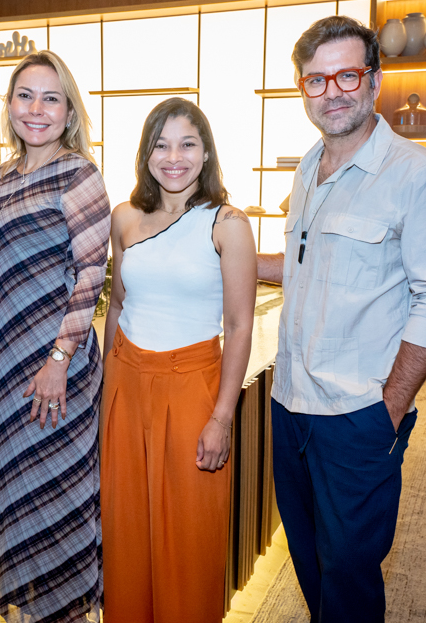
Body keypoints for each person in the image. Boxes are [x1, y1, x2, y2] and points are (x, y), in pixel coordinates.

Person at [255, 15, 426, 621]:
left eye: (347, 75)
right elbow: (303, 268)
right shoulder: (307, 168)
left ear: (374, 81)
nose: (333, 92)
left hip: (357, 413)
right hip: (290, 403)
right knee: (309, 560)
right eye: (316, 80)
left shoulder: (418, 174)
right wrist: (220, 250)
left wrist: (388, 410)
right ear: (303, 90)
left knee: (349, 574)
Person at [100, 98, 257, 623]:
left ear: (206, 152)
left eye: (187, 144)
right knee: (126, 530)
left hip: (193, 387)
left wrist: (222, 417)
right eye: (161, 145)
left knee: (189, 535)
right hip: (125, 383)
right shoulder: (124, 217)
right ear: (145, 154)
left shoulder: (228, 223)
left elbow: (238, 326)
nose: (174, 157)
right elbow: (117, 305)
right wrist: (105, 394)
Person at [0, 50, 110, 622]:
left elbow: (92, 273)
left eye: (51, 98)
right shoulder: (3, 177)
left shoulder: (79, 174)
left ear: (69, 111)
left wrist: (58, 357)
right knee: (19, 497)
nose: (36, 108)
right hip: (8, 365)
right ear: (8, 105)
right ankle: (29, 613)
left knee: (60, 494)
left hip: (59, 363)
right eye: (25, 95)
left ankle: (69, 613)